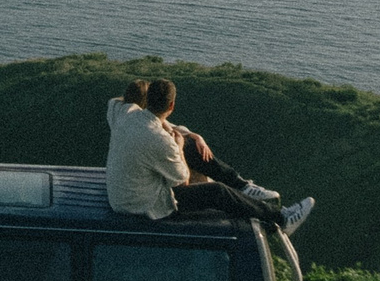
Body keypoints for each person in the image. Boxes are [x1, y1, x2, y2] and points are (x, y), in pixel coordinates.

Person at [104, 78, 313, 233]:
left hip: (124, 193)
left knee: (190, 145)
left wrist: (189, 136)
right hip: (142, 204)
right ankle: (282, 219)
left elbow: (127, 105)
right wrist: (178, 145)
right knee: (218, 192)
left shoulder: (123, 113)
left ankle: (243, 187)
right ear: (172, 106)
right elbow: (182, 182)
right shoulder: (161, 141)